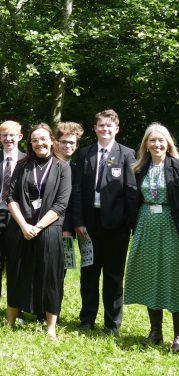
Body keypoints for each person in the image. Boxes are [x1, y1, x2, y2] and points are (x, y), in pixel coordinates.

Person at [71, 109, 138, 336]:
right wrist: (78, 221)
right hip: (88, 226)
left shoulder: (127, 155)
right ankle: (87, 320)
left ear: (117, 129)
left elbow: (131, 192)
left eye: (109, 126)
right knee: (89, 274)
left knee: (113, 276)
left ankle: (112, 324)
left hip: (117, 227)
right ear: (95, 129)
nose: (105, 129)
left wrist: (130, 223)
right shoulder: (85, 154)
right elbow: (77, 191)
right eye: (101, 126)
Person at [4, 124, 71, 340]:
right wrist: (24, 226)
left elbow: (61, 205)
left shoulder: (62, 167)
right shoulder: (22, 165)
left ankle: (50, 327)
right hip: (21, 229)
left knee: (50, 277)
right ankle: (10, 321)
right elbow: (11, 197)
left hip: (49, 230)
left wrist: (38, 227)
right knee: (17, 273)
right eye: (35, 140)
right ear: (30, 143)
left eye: (43, 139)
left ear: (52, 140)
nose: (39, 143)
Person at [124, 123, 179, 353]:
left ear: (168, 144)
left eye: (161, 140)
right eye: (152, 140)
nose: (157, 144)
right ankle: (155, 331)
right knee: (149, 275)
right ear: (146, 144)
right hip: (146, 224)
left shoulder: (177, 166)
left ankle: (178, 336)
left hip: (171, 226)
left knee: (174, 277)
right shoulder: (139, 167)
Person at [0, 120, 25, 321]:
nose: (8, 139)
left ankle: (17, 307)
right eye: (4, 135)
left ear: (20, 136)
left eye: (12, 135)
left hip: (19, 219)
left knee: (17, 264)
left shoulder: (28, 160)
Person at [54, 122, 84, 238]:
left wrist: (67, 227)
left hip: (67, 227)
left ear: (77, 145)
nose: (67, 146)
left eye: (71, 142)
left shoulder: (77, 169)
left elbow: (73, 201)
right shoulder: (48, 166)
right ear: (56, 142)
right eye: (64, 142)